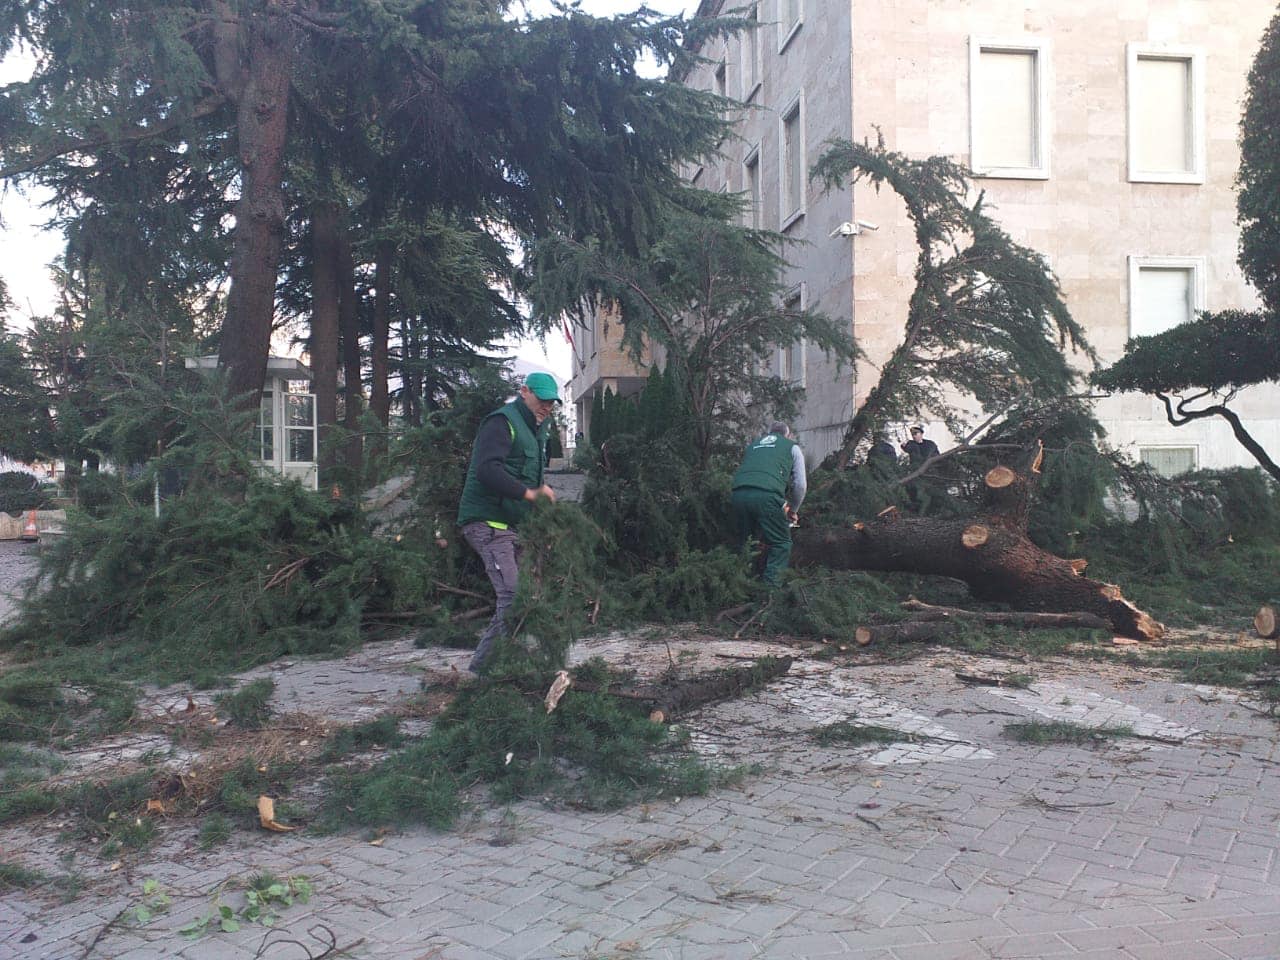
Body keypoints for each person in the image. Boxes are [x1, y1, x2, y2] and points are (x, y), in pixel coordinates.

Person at [456, 372, 560, 673]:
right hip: (488, 523)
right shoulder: (502, 422)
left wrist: (541, 521)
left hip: (514, 525)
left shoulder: (539, 428)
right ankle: (481, 675)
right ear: (524, 392)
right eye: (541, 400)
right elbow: (487, 470)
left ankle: (497, 666)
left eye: (551, 403)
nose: (546, 407)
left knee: (524, 597)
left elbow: (532, 476)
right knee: (514, 596)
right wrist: (530, 494)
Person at [731, 422, 807, 586]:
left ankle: (741, 587)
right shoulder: (791, 447)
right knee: (781, 543)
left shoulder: (753, 445)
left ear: (769, 433)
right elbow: (800, 485)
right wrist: (792, 511)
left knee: (747, 543)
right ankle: (770, 594)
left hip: (738, 495)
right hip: (766, 496)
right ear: (788, 435)